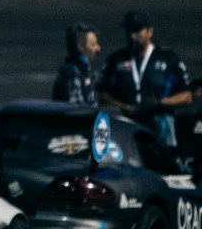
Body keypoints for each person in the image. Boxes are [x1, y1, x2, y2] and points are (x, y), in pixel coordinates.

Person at [98, 10, 192, 148]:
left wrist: (160, 103)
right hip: (125, 132)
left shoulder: (168, 59)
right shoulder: (115, 61)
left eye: (137, 31)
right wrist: (125, 108)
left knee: (160, 167)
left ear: (150, 32)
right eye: (129, 31)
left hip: (161, 133)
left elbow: (187, 96)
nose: (132, 36)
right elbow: (102, 96)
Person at [52, 22, 101, 105]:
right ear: (80, 47)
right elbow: (75, 110)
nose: (98, 48)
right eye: (93, 44)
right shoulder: (73, 73)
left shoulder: (86, 71)